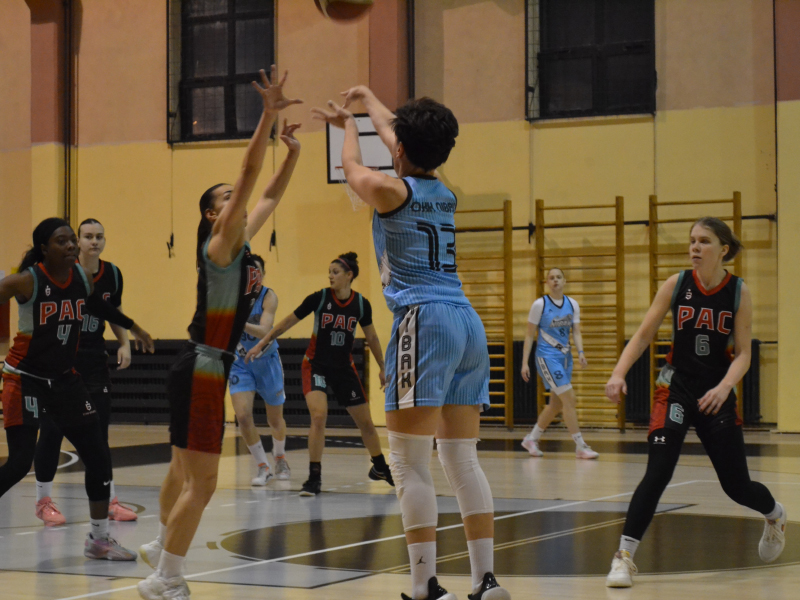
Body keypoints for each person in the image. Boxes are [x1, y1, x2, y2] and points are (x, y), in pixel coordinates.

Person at [310, 89, 510, 600]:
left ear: (399, 148)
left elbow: (351, 166)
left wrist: (348, 124)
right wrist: (369, 99)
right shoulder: (445, 191)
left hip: (424, 320)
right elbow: (399, 134)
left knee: (407, 463)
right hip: (467, 322)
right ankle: (486, 581)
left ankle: (425, 586)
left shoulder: (386, 189)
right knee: (462, 460)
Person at [136, 66, 301, 600]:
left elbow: (268, 195)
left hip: (198, 362)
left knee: (180, 470)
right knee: (203, 483)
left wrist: (292, 155)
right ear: (214, 213)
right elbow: (250, 171)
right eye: (229, 197)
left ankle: (160, 546)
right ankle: (166, 577)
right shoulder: (219, 244)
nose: (241, 198)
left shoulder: (239, 241)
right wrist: (266, 117)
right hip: (206, 365)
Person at [604, 217, 786, 588]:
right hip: (675, 388)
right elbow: (643, 335)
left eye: (704, 241)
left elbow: (744, 354)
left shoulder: (738, 291)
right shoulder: (677, 284)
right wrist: (618, 373)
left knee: (736, 486)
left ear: (723, 249)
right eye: (692, 241)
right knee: (658, 472)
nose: (695, 247)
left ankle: (774, 515)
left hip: (716, 392)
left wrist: (725, 386)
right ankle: (623, 557)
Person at [0, 217, 154, 560]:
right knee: (20, 462)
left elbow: (96, 304)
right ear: (44, 249)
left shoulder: (81, 277)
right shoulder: (27, 280)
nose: (71, 245)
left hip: (65, 379)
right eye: (62, 241)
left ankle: (98, 540)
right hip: (25, 379)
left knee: (98, 457)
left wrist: (134, 327)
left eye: (72, 239)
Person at [246, 252, 393, 496]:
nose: (330, 276)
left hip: (344, 369)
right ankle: (314, 477)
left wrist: (383, 367)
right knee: (318, 416)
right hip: (316, 366)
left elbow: (373, 337)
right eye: (329, 272)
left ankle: (379, 467)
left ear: (349, 275)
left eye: (335, 272)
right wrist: (261, 344)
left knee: (366, 423)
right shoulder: (320, 298)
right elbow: (285, 323)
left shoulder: (361, 304)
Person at [33, 218, 138, 526]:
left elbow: (114, 312)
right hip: (61, 363)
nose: (94, 241)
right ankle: (43, 501)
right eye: (88, 236)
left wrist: (124, 343)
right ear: (77, 241)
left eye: (99, 236)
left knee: (99, 435)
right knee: (51, 432)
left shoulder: (113, 274)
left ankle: (110, 500)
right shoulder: (62, 272)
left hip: (94, 362)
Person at [520, 268, 598, 459]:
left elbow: (576, 331)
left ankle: (531, 439)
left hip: (565, 358)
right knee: (570, 399)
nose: (555, 280)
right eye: (551, 278)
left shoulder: (572, 304)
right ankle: (580, 446)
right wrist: (524, 363)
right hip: (547, 357)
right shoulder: (540, 304)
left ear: (564, 281)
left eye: (558, 277)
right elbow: (529, 335)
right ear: (547, 282)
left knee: (555, 404)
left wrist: (581, 352)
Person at [230, 253, 290, 485]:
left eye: (258, 273)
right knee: (243, 416)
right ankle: (262, 466)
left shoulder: (268, 296)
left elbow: (265, 330)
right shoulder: (232, 296)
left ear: (262, 275)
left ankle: (280, 458)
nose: (254, 277)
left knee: (275, 419)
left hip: (267, 361)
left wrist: (238, 323)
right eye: (250, 273)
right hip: (240, 363)